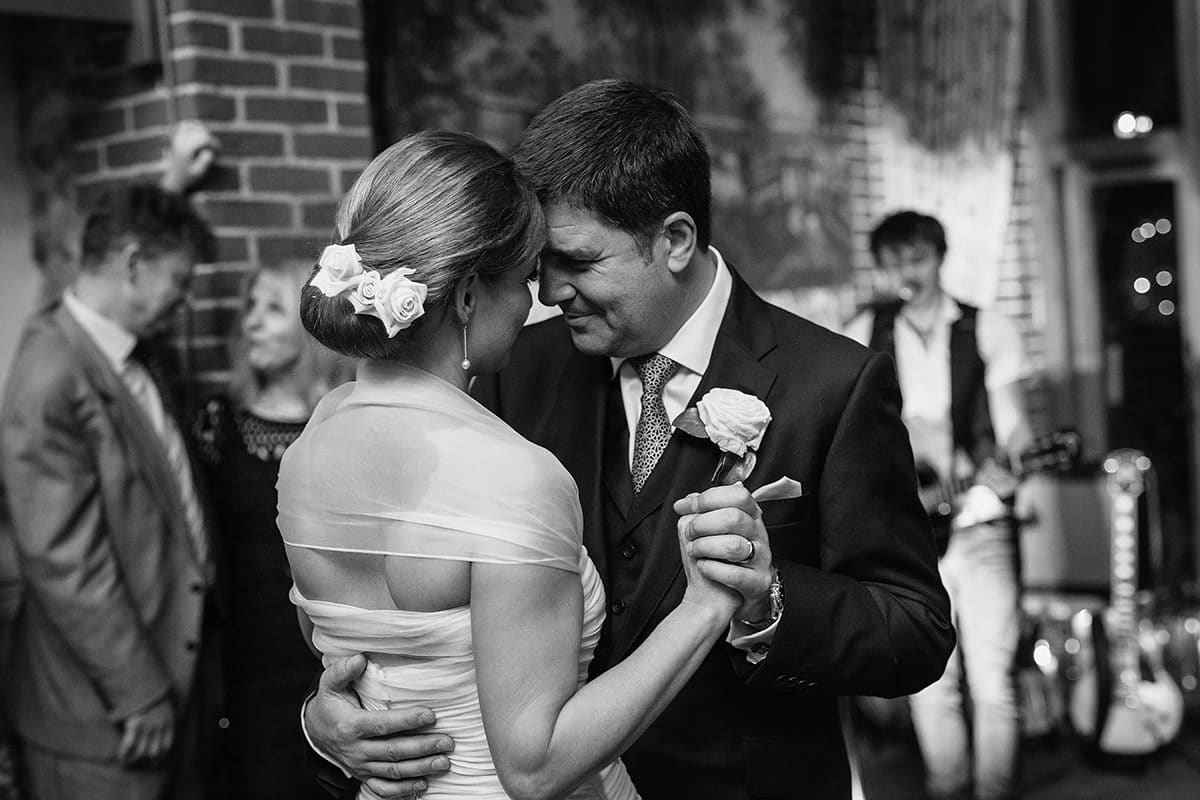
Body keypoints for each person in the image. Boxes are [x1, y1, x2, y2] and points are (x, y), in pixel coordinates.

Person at [303, 80, 954, 800]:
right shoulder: (516, 367)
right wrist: (326, 714)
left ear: (674, 240)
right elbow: (411, 594)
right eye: (537, 263)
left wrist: (767, 601)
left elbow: (915, 629)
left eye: (577, 262)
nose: (548, 292)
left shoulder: (831, 382)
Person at [278, 129, 753, 800]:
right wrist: (705, 607)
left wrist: (320, 717)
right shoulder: (512, 473)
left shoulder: (309, 445)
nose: (540, 300)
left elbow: (336, 643)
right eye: (527, 277)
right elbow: (535, 767)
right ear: (469, 295)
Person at [0, 182, 217, 800]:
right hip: (105, 720)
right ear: (131, 264)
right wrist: (138, 691)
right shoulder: (52, 373)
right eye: (178, 279)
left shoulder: (129, 352)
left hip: (178, 686)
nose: (184, 297)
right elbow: (62, 560)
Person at [843, 210, 1033, 800]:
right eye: (894, 262)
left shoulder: (987, 328)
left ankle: (994, 791)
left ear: (940, 258)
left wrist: (1011, 464)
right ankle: (947, 789)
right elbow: (850, 432)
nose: (907, 273)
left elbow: (1016, 429)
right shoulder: (862, 330)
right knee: (930, 680)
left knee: (993, 679)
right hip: (905, 533)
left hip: (979, 523)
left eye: (918, 258)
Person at [190, 258, 353, 799]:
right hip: (248, 663)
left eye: (273, 308)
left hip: (337, 654)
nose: (252, 322)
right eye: (249, 308)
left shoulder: (346, 421)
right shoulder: (218, 423)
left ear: (310, 325)